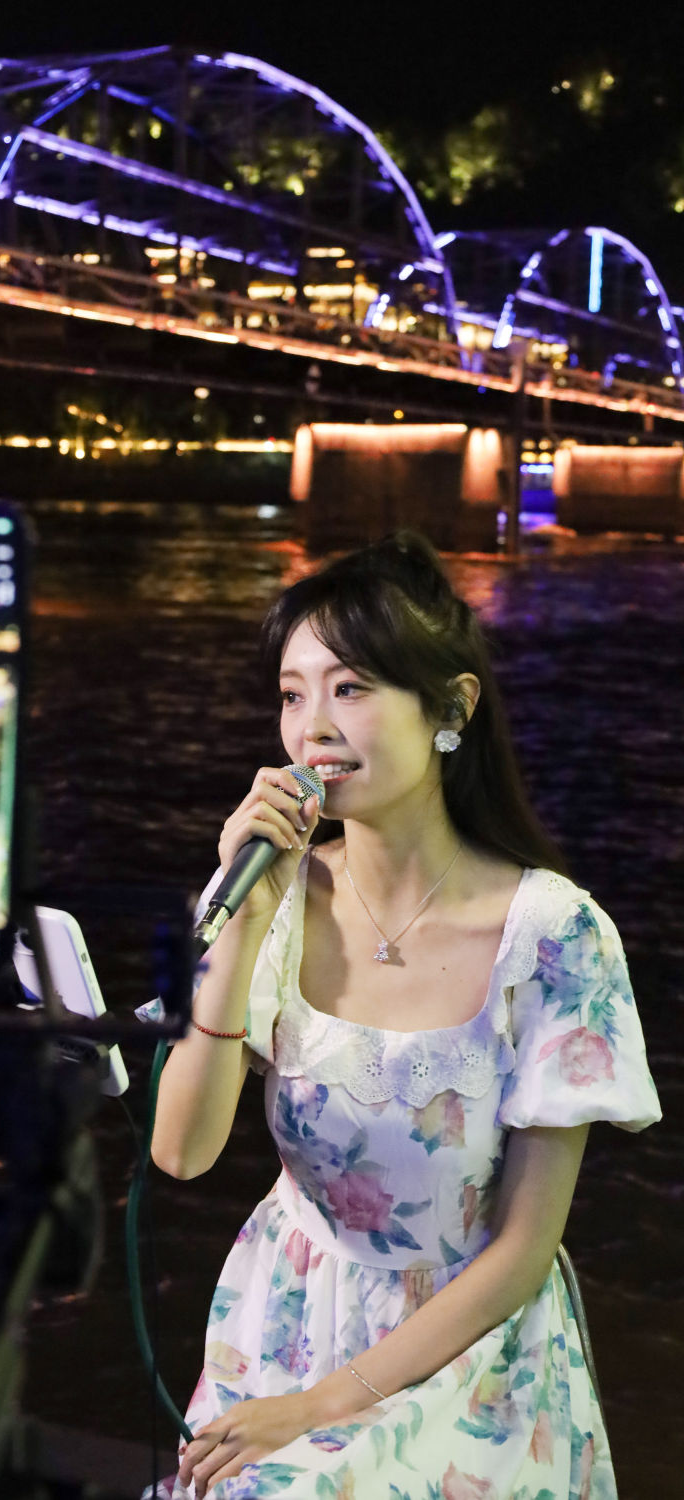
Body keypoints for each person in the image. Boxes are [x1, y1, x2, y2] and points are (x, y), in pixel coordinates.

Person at [151, 532, 661, 1499]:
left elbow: (523, 1248)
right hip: (289, 1312)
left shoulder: (555, 936)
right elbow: (181, 1154)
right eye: (292, 695)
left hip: (471, 1344)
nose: (313, 729)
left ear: (452, 710)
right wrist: (241, 930)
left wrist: (323, 1407)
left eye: (350, 688)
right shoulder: (266, 900)